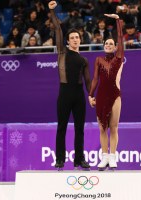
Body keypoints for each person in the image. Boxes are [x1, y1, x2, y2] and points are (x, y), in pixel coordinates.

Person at [48, 1, 91, 170]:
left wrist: (91, 95)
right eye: (72, 38)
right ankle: (60, 159)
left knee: (80, 129)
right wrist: (52, 11)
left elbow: (88, 80)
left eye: (77, 37)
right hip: (65, 93)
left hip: (79, 95)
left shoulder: (84, 60)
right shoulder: (62, 52)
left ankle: (79, 159)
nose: (74, 39)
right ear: (67, 41)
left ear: (80, 40)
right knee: (62, 128)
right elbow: (58, 28)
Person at [88, 14, 124, 170]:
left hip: (115, 95)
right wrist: (90, 95)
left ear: (115, 47)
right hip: (101, 95)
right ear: (104, 46)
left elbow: (121, 38)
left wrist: (117, 20)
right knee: (102, 128)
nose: (109, 45)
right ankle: (104, 157)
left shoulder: (119, 58)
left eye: (112, 43)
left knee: (114, 127)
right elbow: (95, 79)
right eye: (107, 43)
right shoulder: (98, 60)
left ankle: (113, 156)